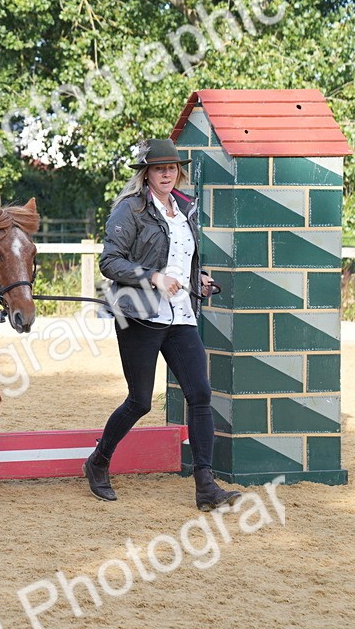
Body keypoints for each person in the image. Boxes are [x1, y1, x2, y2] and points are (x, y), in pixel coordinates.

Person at [87, 138, 241, 511]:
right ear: (147, 173)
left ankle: (206, 485)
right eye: (159, 168)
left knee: (200, 394)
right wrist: (152, 277)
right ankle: (98, 461)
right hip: (141, 315)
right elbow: (110, 262)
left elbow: (182, 256)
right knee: (140, 401)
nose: (166, 173)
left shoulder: (184, 208)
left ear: (179, 171)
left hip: (182, 316)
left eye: (171, 167)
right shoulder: (130, 210)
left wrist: (198, 277)